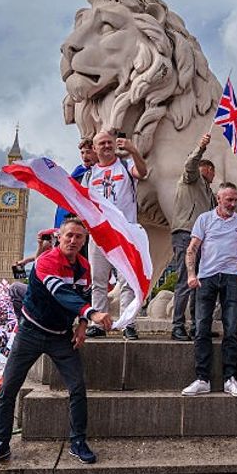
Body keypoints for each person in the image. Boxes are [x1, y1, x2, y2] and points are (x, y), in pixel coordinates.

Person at [0, 219, 113, 467]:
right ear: (59, 237)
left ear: (84, 241)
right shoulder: (46, 261)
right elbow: (61, 292)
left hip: (60, 336)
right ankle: (1, 443)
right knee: (8, 389)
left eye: (78, 237)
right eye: (69, 235)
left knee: (77, 388)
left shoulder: (84, 267)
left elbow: (83, 295)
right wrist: (92, 313)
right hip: (30, 333)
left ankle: (78, 442)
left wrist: (82, 325)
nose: (73, 240)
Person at [169, 132, 237, 341]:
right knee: (185, 280)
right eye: (213, 172)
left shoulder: (207, 191)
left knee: (198, 283)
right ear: (208, 169)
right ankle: (177, 325)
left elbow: (223, 205)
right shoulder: (191, 179)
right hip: (186, 234)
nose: (214, 176)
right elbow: (190, 165)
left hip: (201, 238)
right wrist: (201, 147)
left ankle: (197, 325)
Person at [182, 183, 237, 398]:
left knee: (231, 328)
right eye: (229, 200)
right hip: (207, 277)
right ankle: (202, 378)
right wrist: (191, 274)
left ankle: (230, 378)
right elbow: (192, 249)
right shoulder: (204, 219)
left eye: (235, 200)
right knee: (201, 327)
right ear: (218, 198)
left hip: (231, 276)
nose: (232, 204)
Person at [81, 130, 148, 340]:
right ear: (95, 148)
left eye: (109, 142)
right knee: (98, 280)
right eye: (102, 143)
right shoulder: (89, 175)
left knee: (128, 279)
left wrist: (133, 150)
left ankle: (128, 323)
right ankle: (98, 323)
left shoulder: (126, 166)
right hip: (100, 234)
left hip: (124, 232)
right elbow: (82, 203)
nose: (107, 146)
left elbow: (143, 172)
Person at [53, 137, 96, 227]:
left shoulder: (101, 170)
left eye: (88, 152)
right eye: (82, 153)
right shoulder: (79, 171)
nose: (84, 156)